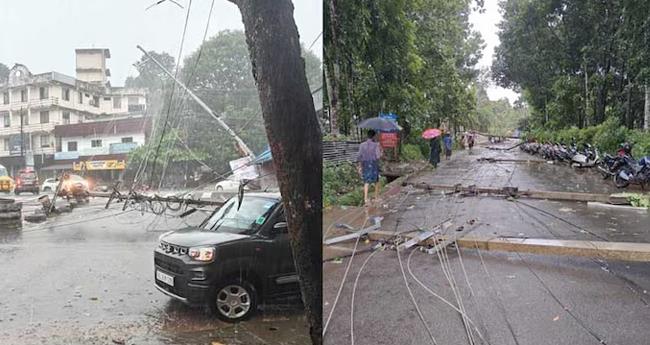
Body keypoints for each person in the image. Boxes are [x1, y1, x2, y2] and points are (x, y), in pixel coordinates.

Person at [357, 129, 382, 206]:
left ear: (367, 136)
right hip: (373, 164)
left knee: (366, 181)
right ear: (373, 136)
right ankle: (376, 197)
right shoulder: (376, 145)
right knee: (376, 181)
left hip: (365, 164)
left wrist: (359, 166)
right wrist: (381, 152)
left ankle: (365, 199)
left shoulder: (362, 145)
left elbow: (359, 156)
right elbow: (378, 156)